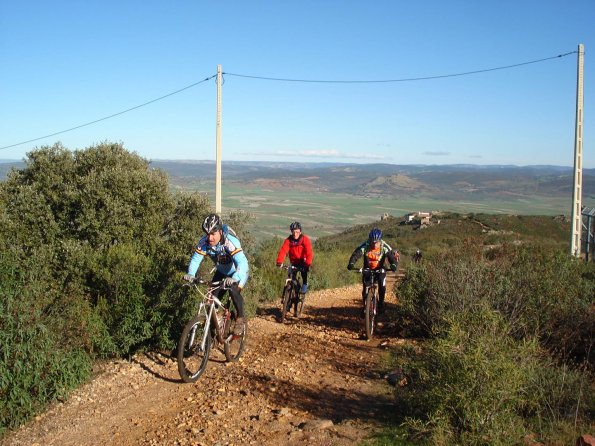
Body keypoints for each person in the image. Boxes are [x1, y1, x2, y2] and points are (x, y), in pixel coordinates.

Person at [183, 214, 249, 335]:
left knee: (233, 291)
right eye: (207, 234)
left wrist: (235, 278)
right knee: (211, 299)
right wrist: (191, 274)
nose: (210, 238)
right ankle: (213, 331)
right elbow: (196, 259)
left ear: (219, 231)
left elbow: (242, 263)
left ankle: (240, 319)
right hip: (221, 272)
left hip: (238, 272)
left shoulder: (230, 242)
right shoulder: (204, 243)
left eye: (213, 234)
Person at [347, 228, 398, 315]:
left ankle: (381, 304)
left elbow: (391, 257)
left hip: (380, 268)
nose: (374, 244)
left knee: (382, 285)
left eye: (377, 242)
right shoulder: (365, 246)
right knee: (365, 287)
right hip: (368, 268)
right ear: (370, 240)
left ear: (380, 240)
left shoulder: (384, 247)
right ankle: (365, 307)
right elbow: (357, 254)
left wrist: (393, 265)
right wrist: (351, 263)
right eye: (373, 242)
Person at [275, 221, 313, 295]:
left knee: (303, 272)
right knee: (291, 275)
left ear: (300, 231)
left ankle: (305, 283)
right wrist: (279, 261)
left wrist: (307, 264)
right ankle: (289, 294)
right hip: (294, 261)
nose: (295, 234)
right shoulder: (288, 240)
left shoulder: (305, 239)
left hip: (303, 261)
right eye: (293, 232)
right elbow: (283, 250)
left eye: (297, 232)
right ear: (291, 232)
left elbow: (309, 252)